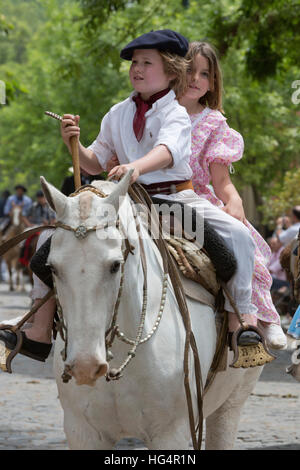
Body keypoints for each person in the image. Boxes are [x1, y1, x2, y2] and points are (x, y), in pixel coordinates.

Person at [0, 30, 261, 361]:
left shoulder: (175, 113)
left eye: (146, 63)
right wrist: (74, 144)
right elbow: (93, 161)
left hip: (174, 202)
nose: (136, 68)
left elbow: (167, 151)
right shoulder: (118, 112)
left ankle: (242, 323)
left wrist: (135, 167)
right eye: (134, 62)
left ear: (171, 72)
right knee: (47, 241)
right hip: (123, 203)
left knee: (239, 236)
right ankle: (38, 329)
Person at [175, 40, 286, 349]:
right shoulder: (154, 110)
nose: (196, 79)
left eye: (205, 74)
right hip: (149, 196)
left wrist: (233, 200)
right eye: (189, 71)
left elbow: (220, 180)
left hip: (194, 198)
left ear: (213, 82)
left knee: (240, 240)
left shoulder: (212, 122)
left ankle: (259, 316)